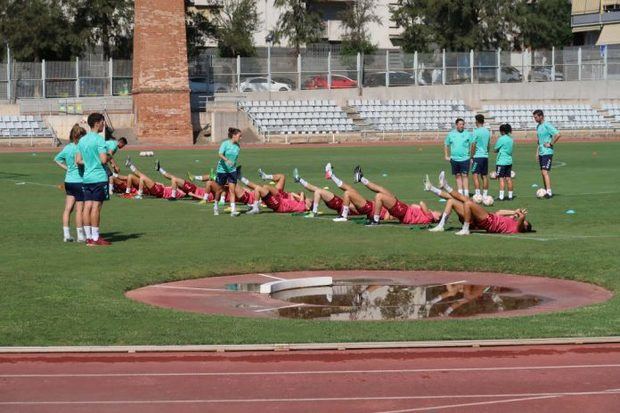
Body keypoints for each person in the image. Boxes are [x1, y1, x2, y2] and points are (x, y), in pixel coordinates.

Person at [427, 171, 532, 235]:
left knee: (467, 202)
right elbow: (499, 212)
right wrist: (514, 212)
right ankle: (441, 225)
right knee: (452, 201)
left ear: (524, 227)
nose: (521, 221)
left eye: (524, 224)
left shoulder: (517, 228)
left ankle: (465, 229)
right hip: (488, 218)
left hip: (488, 221)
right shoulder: (511, 221)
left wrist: (519, 214)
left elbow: (522, 219)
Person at [353, 166, 441, 226]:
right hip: (402, 210)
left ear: (436, 218)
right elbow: (414, 206)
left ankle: (375, 220)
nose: (436, 211)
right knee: (381, 190)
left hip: (402, 210)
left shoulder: (429, 216)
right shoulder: (426, 217)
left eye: (438, 212)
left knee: (379, 196)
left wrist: (428, 210)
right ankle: (361, 178)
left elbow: (421, 203)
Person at [75, 112, 110, 246]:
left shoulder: (82, 140)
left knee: (87, 207)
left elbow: (78, 160)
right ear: (97, 123)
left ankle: (89, 237)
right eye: (102, 122)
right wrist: (107, 156)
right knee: (96, 207)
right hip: (98, 177)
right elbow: (103, 159)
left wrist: (89, 163)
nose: (103, 124)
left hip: (87, 178)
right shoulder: (99, 139)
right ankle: (95, 238)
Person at [54, 124, 87, 243]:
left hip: (68, 181)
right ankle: (80, 236)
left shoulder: (67, 148)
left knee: (68, 209)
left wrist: (67, 168)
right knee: (79, 210)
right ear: (79, 137)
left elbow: (57, 159)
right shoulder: (81, 148)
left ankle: (66, 235)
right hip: (79, 181)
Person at [324, 163, 390, 222]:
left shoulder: (392, 213)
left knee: (347, 193)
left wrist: (378, 213)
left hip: (368, 208)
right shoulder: (391, 206)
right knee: (350, 189)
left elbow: (387, 218)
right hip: (368, 206)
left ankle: (343, 216)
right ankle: (332, 176)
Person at [240, 171, 311, 214]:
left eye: (310, 202)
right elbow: (292, 194)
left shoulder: (302, 206)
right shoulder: (298, 204)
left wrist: (302, 199)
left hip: (279, 202)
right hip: (280, 199)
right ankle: (241, 177)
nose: (309, 199)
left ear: (308, 207)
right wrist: (301, 199)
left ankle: (256, 205)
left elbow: (302, 193)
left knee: (261, 188)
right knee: (264, 187)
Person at [533, 109, 561, 198]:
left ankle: (549, 192)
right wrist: (537, 152)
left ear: (541, 116)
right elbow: (539, 141)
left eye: (536, 117)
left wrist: (551, 144)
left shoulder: (547, 125)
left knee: (545, 172)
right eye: (534, 117)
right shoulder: (538, 126)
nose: (535, 119)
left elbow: (558, 134)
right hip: (541, 152)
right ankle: (546, 191)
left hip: (547, 152)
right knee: (542, 172)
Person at [444, 118, 473, 197]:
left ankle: (466, 194)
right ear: (456, 125)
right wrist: (446, 155)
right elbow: (446, 144)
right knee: (457, 176)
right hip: (454, 159)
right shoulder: (451, 134)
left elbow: (472, 144)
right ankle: (460, 194)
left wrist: (471, 157)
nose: (461, 126)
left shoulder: (468, 134)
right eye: (460, 124)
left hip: (465, 159)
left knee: (465, 175)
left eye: (463, 124)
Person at [216, 128, 242, 216]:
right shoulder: (225, 144)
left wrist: (235, 168)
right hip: (222, 170)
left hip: (232, 171)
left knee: (232, 191)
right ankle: (215, 206)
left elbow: (234, 159)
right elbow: (220, 154)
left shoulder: (238, 146)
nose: (240, 138)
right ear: (234, 136)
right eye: (239, 136)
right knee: (219, 190)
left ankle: (233, 211)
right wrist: (226, 160)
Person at [471, 114, 490, 199]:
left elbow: (473, 145)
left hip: (477, 157)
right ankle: (485, 195)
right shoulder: (487, 131)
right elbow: (489, 144)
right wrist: (486, 152)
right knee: (484, 176)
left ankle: (478, 194)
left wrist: (471, 156)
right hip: (485, 156)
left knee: (475, 175)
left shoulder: (476, 131)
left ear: (477, 121)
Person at [494, 124, 515, 201]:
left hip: (501, 161)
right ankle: (510, 196)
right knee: (508, 178)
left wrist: (498, 150)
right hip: (509, 161)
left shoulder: (501, 139)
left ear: (502, 131)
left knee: (501, 179)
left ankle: (501, 197)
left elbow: (495, 149)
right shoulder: (511, 139)